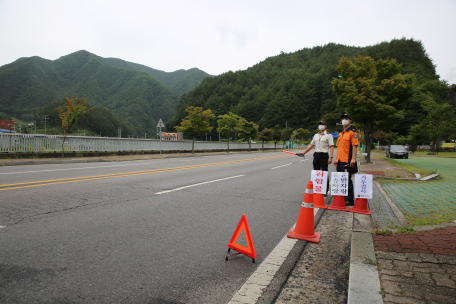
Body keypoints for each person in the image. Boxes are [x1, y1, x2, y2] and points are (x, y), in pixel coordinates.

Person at [297, 120, 334, 195]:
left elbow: (331, 146)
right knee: (316, 173)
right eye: (319, 124)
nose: (320, 126)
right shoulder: (316, 135)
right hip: (316, 155)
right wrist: (304, 152)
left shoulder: (329, 135)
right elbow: (311, 145)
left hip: (324, 155)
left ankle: (325, 191)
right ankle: (317, 189)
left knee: (324, 173)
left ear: (325, 126)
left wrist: (331, 157)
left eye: (322, 124)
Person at [333, 113, 358, 205]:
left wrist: (353, 159)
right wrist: (336, 159)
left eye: (346, 118)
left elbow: (354, 146)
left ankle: (350, 199)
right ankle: (342, 197)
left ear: (350, 121)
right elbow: (339, 147)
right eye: (343, 118)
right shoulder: (340, 133)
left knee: (347, 180)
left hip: (347, 160)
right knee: (340, 179)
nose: (344, 120)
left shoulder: (352, 132)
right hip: (339, 160)